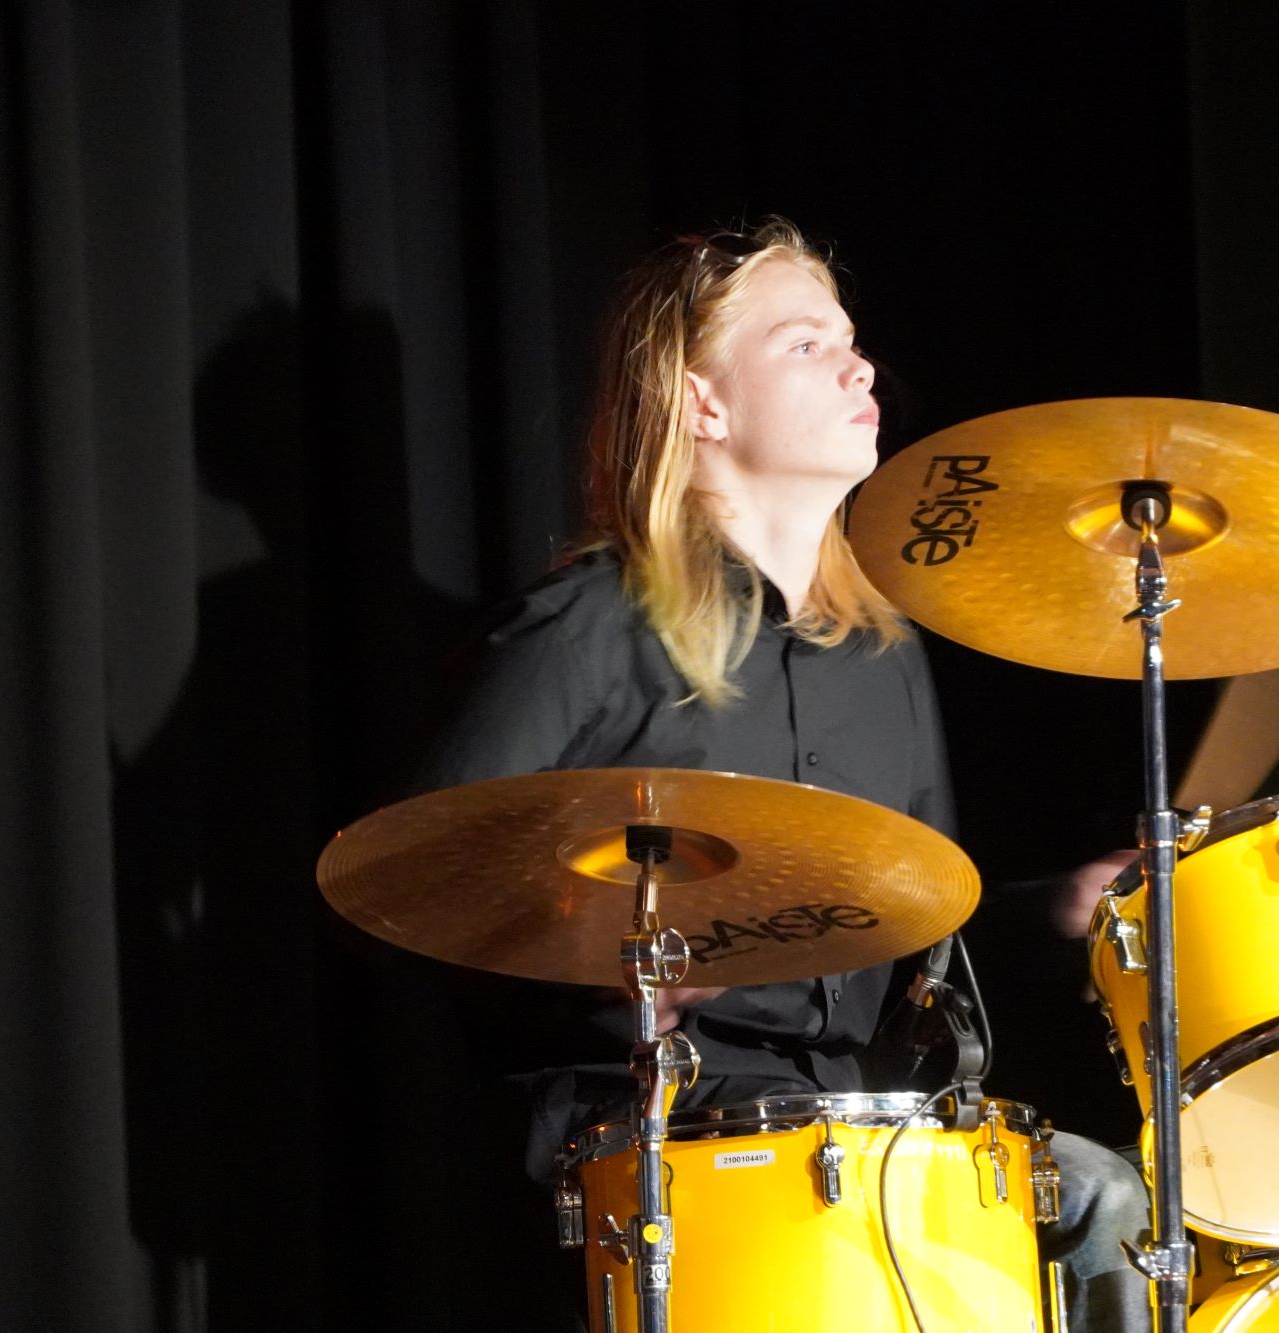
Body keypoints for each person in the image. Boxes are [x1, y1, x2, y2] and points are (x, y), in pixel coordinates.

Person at [418, 219, 1149, 1330]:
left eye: (850, 342)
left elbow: (917, 932)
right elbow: (423, 883)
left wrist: (1058, 909)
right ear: (701, 404)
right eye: (807, 344)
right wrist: (595, 962)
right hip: (643, 1137)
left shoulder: (881, 655)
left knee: (1106, 1199)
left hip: (854, 1127)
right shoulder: (586, 627)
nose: (860, 367)